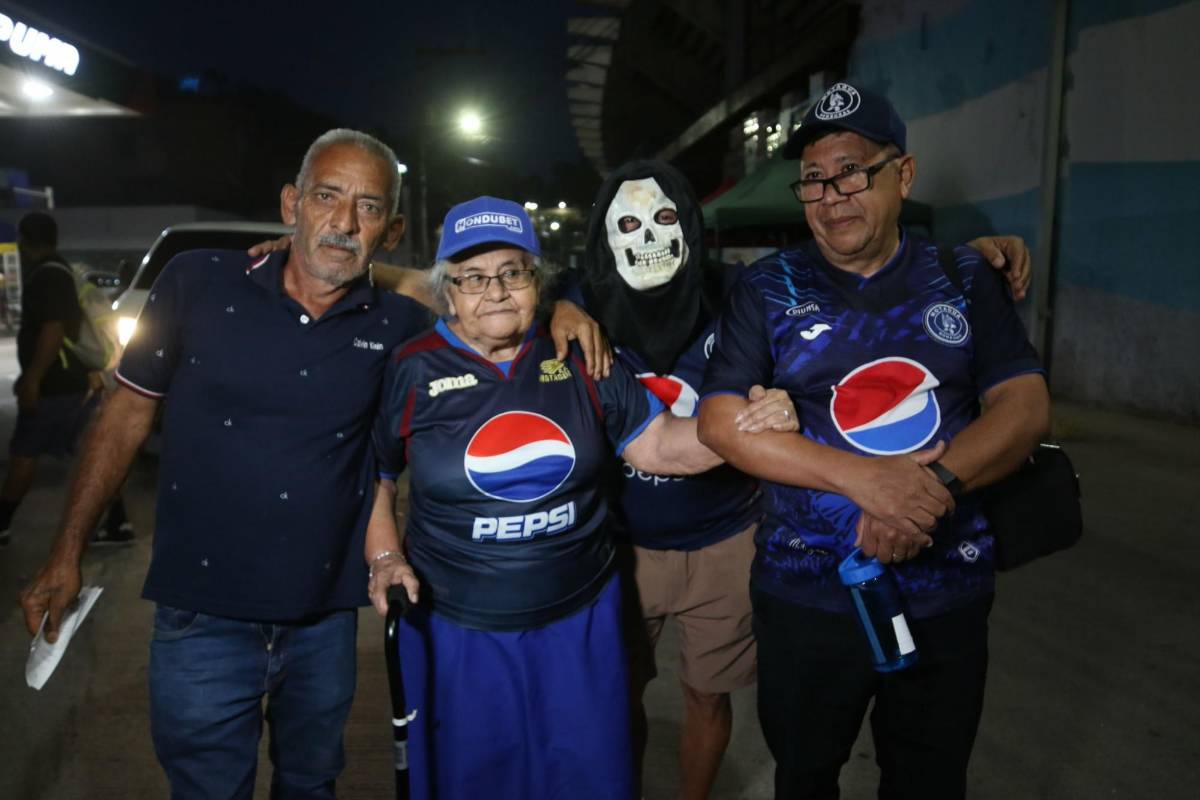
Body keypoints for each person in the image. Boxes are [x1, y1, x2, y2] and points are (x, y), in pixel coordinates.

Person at [17, 131, 605, 798]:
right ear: (292, 202)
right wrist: (66, 550)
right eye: (327, 197)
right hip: (200, 616)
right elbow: (124, 416)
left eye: (369, 207)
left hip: (325, 620)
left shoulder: (399, 327)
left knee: (311, 786)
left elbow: (487, 301)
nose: (344, 221)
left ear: (392, 229)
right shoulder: (196, 283)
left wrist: (560, 304)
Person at [576, 159, 1034, 798]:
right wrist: (555, 310)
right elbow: (498, 290)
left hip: (726, 539)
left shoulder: (739, 290)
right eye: (627, 223)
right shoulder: (577, 308)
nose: (648, 237)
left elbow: (1017, 400)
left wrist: (971, 261)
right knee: (619, 700)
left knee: (712, 698)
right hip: (623, 545)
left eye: (664, 217)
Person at [364, 196, 795, 800]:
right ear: (447, 289)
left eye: (513, 272)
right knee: (474, 779)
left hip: (580, 620)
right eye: (473, 277)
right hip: (457, 624)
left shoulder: (581, 357)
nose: (495, 291)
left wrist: (747, 426)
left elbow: (660, 444)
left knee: (585, 776)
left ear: (536, 281)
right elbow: (379, 477)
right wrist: (385, 559)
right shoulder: (410, 370)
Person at [697, 82, 1051, 799]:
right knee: (803, 774)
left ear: (904, 174)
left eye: (853, 171)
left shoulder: (963, 277)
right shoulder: (768, 288)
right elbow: (718, 421)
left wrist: (930, 491)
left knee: (928, 778)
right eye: (815, 181)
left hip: (944, 586)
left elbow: (1024, 407)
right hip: (807, 590)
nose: (833, 197)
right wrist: (865, 481)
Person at [0, 211, 132, 547]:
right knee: (89, 452)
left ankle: (2, 522)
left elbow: (53, 329)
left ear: (25, 241)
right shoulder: (64, 271)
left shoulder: (47, 276)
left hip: (54, 386)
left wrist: (32, 379)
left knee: (24, 454)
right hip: (72, 381)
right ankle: (117, 523)